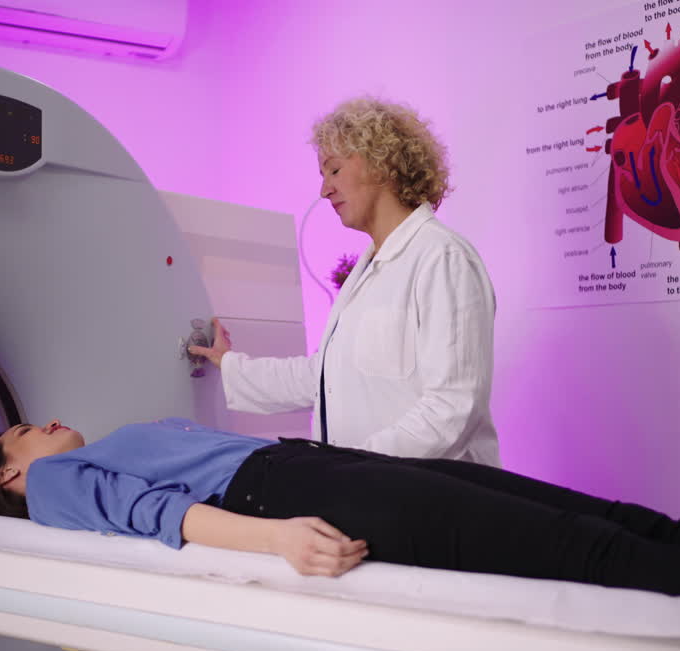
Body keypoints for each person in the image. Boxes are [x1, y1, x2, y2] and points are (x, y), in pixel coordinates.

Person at [0, 418, 680, 614]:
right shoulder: (64, 490)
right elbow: (163, 517)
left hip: (319, 468)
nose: (45, 426)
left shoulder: (102, 442)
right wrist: (277, 537)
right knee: (587, 548)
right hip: (287, 495)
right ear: (13, 480)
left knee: (619, 518)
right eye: (24, 434)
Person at [188, 97, 499, 465]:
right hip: (372, 491)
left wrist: (351, 468)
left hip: (432, 499)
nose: (324, 190)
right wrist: (231, 365)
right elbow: (325, 375)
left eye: (333, 170)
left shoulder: (442, 258)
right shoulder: (369, 271)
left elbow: (453, 408)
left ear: (381, 164)